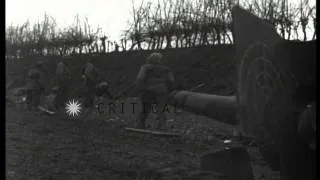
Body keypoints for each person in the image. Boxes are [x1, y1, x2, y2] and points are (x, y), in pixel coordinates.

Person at [134, 52, 175, 130]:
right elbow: (171, 80)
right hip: (162, 91)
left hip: (148, 90)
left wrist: (139, 86)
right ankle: (162, 126)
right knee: (161, 109)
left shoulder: (145, 67)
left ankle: (141, 125)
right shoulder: (166, 69)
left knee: (145, 109)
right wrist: (168, 88)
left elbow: (140, 78)